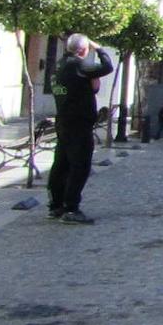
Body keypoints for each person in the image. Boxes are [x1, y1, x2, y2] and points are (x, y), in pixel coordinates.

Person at [47, 33, 115, 224]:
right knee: (79, 166)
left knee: (61, 164)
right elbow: (108, 66)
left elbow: (82, 86)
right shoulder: (77, 65)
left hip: (64, 122)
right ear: (84, 50)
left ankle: (56, 205)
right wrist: (99, 48)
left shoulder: (59, 66)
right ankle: (71, 208)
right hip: (78, 123)